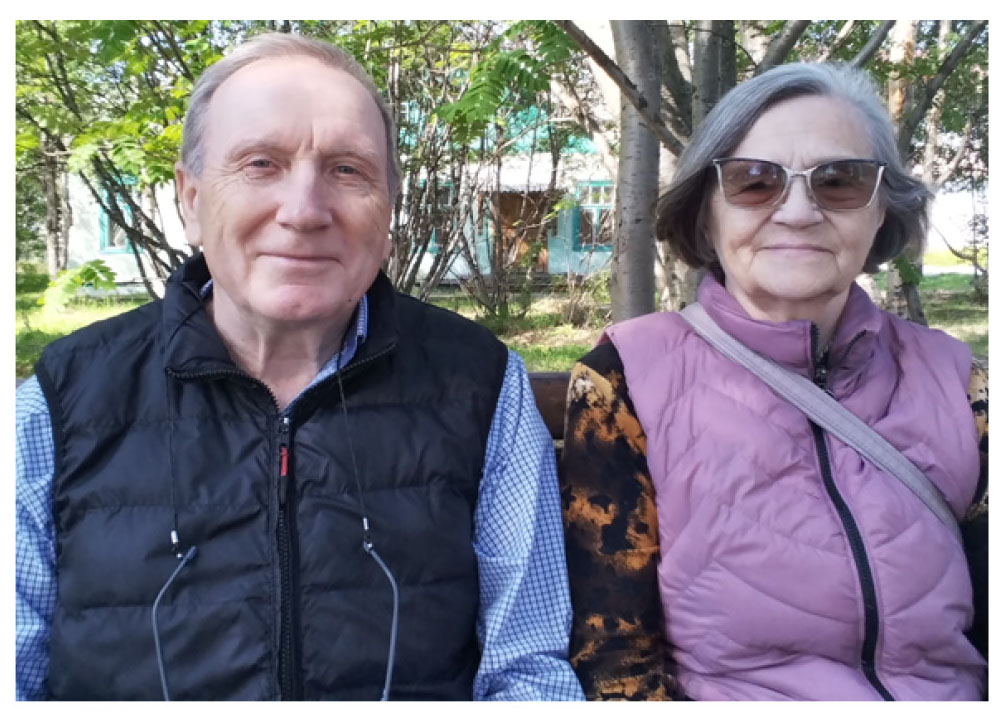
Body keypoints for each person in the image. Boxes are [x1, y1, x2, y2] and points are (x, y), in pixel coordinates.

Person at [15, 32, 584, 701]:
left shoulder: (482, 386)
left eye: (348, 170)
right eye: (261, 164)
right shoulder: (60, 402)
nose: (305, 211)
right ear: (191, 200)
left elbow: (528, 673)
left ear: (389, 210)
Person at [560, 62, 987, 701]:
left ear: (881, 212)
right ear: (705, 213)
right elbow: (616, 663)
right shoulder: (622, 382)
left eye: (839, 181)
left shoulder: (959, 383)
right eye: (755, 181)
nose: (798, 212)